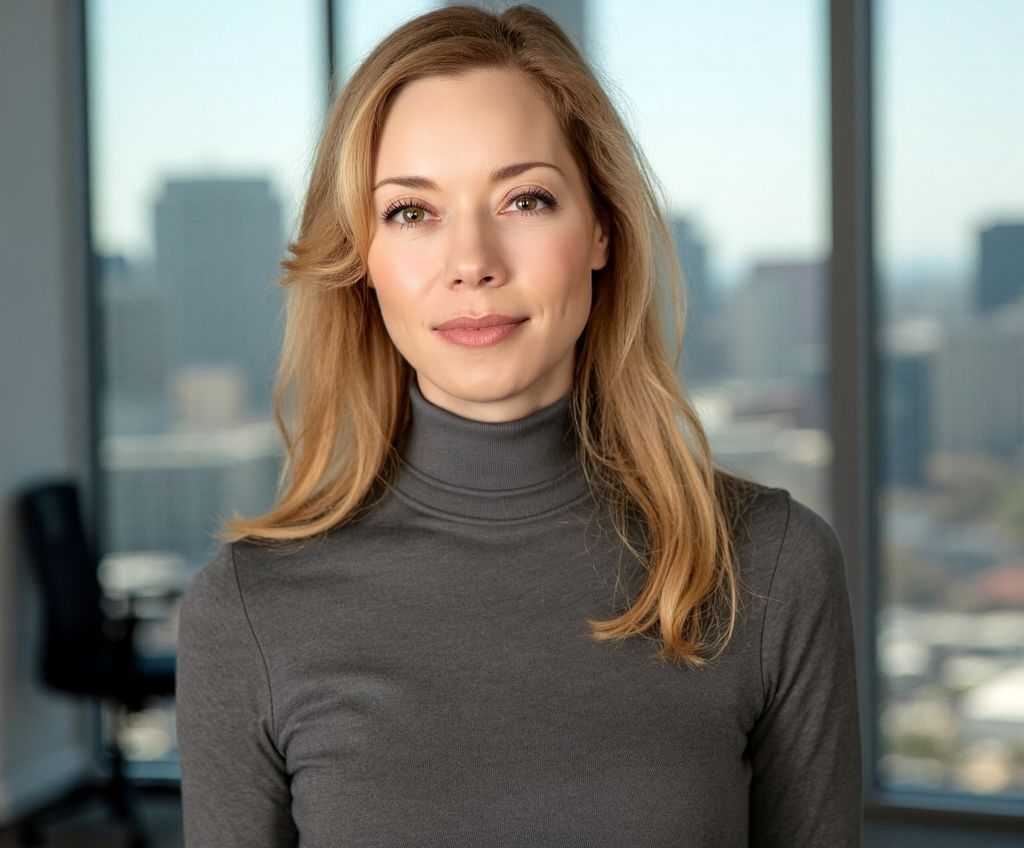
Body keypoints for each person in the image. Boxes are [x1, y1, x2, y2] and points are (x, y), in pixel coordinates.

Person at [176, 5, 861, 846]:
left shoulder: (772, 567)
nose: (472, 263)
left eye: (524, 199)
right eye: (411, 212)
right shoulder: (246, 612)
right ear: (361, 259)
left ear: (603, 228)